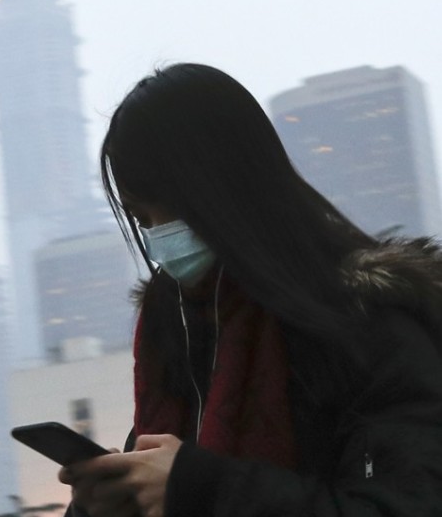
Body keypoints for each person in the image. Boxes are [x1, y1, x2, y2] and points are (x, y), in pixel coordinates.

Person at [59, 63, 442, 516]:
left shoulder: (370, 324)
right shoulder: (181, 331)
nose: (159, 238)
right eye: (143, 220)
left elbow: (404, 505)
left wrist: (199, 489)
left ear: (229, 186)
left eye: (172, 208)